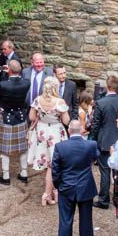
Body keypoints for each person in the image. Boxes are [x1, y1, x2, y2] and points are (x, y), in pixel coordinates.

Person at [51, 119, 99, 236]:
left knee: (65, 220)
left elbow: (55, 169)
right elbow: (96, 158)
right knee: (86, 220)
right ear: (81, 130)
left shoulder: (60, 146)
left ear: (69, 130)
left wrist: (58, 185)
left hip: (66, 187)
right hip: (85, 186)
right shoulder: (91, 145)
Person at [89, 74, 118, 209]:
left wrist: (93, 140)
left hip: (105, 141)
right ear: (117, 87)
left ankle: (103, 200)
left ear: (107, 86)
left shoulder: (101, 103)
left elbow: (95, 125)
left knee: (105, 171)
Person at [27, 75, 70, 206]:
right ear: (55, 87)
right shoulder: (59, 102)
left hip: (42, 132)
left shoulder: (37, 100)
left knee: (49, 164)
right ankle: (47, 193)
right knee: (53, 165)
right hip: (55, 133)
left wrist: (43, 116)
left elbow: (31, 117)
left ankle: (53, 191)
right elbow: (66, 121)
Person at [0, 59, 30, 186]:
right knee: (23, 148)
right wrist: (11, 70)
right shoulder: (26, 83)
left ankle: (6, 176)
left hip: (5, 117)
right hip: (20, 116)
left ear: (8, 70)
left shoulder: (3, 85)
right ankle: (24, 174)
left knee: (5, 149)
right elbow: (17, 79)